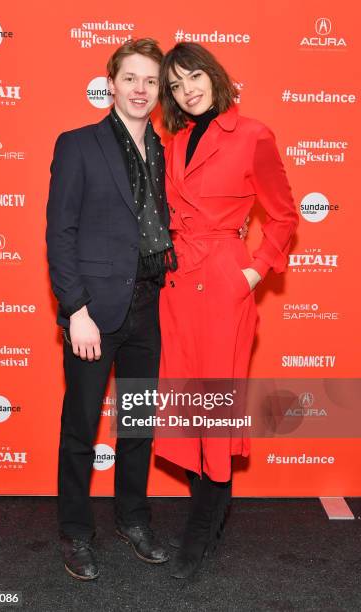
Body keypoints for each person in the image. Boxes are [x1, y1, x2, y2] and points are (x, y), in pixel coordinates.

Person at [155, 42, 299, 579]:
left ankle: (204, 520)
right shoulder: (175, 142)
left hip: (221, 282)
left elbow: (284, 216)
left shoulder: (253, 135)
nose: (186, 90)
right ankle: (208, 511)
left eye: (193, 77)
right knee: (186, 398)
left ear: (214, 76)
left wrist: (253, 271)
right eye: (175, 85)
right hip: (176, 283)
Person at [45, 38, 177, 581]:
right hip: (94, 313)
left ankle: (133, 518)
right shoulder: (78, 144)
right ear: (111, 83)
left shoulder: (165, 149)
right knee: (80, 428)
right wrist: (75, 309)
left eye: (151, 80)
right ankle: (76, 533)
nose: (141, 89)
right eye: (131, 78)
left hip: (149, 306)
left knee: (138, 423)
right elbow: (60, 233)